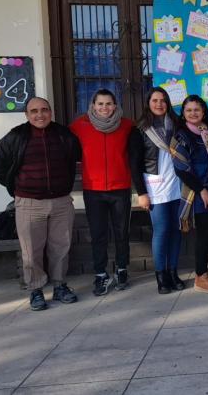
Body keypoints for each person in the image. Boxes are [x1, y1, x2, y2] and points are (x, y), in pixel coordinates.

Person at [0, 97, 81, 311]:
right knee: (31, 250)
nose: (40, 115)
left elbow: (74, 159)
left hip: (60, 202)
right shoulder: (16, 136)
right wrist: (17, 185)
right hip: (29, 203)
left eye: (44, 110)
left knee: (61, 246)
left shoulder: (63, 134)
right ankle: (36, 290)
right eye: (34, 111)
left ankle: (60, 286)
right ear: (27, 115)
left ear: (51, 112)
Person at [70, 89, 137, 296]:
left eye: (109, 104)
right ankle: (100, 273)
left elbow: (134, 156)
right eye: (100, 104)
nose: (105, 108)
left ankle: (122, 269)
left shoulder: (127, 126)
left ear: (115, 106)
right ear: (93, 105)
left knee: (121, 232)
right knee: (98, 234)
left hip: (120, 188)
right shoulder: (79, 126)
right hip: (93, 189)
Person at [131, 87, 185, 294]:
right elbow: (134, 164)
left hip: (176, 183)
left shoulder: (177, 125)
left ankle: (173, 272)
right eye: (155, 100)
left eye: (163, 100)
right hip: (154, 186)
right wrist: (141, 193)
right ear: (148, 103)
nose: (159, 104)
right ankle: (161, 276)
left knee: (177, 230)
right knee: (161, 231)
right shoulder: (140, 129)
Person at [172, 95, 208, 294]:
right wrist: (202, 190)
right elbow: (181, 169)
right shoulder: (181, 136)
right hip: (198, 192)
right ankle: (200, 276)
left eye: (197, 110)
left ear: (203, 112)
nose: (193, 113)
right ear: (183, 114)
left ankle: (206, 272)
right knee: (203, 234)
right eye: (189, 110)